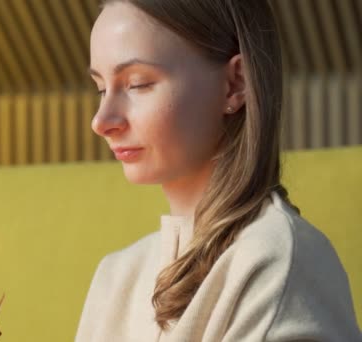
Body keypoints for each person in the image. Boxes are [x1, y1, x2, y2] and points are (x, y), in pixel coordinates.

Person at [75, 0, 361, 341]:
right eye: (101, 89)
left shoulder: (277, 264)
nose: (100, 121)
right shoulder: (116, 276)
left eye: (137, 84)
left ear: (235, 84)